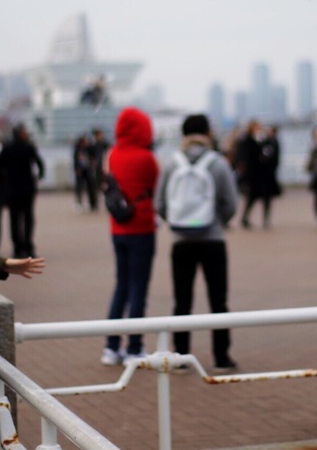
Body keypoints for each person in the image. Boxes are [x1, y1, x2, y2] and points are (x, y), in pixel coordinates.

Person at [155, 113, 239, 372]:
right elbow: (231, 204)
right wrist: (215, 222)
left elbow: (159, 204)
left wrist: (178, 222)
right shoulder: (218, 163)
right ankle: (221, 357)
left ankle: (181, 356)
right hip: (213, 240)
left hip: (181, 242)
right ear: (207, 133)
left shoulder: (172, 163)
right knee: (218, 301)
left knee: (182, 301)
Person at [101, 107, 159, 366]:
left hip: (117, 228)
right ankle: (134, 347)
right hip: (142, 227)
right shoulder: (147, 158)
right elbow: (152, 186)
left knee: (120, 286)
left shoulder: (112, 154)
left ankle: (111, 347)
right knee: (139, 289)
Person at [0, 124, 45, 259]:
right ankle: (28, 247)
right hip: (27, 189)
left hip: (12, 190)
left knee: (14, 219)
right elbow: (40, 164)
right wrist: (38, 177)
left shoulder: (7, 148)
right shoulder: (28, 147)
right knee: (28, 218)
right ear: (20, 134)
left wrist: (3, 182)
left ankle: (17, 248)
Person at [237, 120, 270, 229]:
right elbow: (245, 156)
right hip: (252, 174)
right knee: (252, 197)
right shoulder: (247, 140)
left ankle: (264, 219)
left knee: (262, 197)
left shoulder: (259, 139)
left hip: (260, 174)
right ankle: (245, 219)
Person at [72, 134, 96, 212]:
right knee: (79, 188)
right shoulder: (77, 149)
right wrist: (77, 169)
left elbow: (94, 157)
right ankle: (79, 203)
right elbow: (75, 160)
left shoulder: (90, 148)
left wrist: (93, 165)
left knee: (91, 187)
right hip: (80, 170)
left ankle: (93, 204)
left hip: (88, 170)